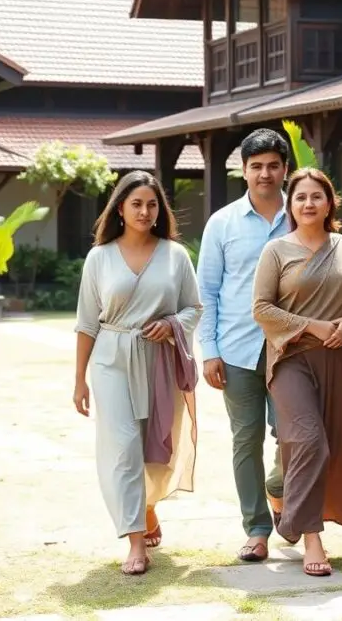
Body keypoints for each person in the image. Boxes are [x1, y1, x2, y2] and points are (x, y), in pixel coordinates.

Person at [73, 171, 202, 575]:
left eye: (151, 204)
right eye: (136, 204)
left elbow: (193, 308)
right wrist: (79, 379)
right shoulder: (100, 257)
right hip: (112, 358)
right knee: (123, 447)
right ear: (121, 209)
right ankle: (134, 541)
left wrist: (172, 324)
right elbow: (86, 322)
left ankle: (146, 506)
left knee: (155, 446)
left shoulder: (175, 255)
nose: (145, 212)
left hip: (160, 359)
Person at [252, 168, 342, 576]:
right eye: (300, 197)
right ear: (291, 204)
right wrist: (313, 326)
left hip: (340, 358)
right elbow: (261, 309)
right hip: (291, 358)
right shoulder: (276, 251)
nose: (308, 204)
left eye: (316, 197)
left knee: (337, 447)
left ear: (330, 203)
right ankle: (310, 536)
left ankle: (289, 510)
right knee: (308, 441)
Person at [197, 128, 291, 562]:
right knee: (245, 440)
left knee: (295, 435)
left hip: (292, 350)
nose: (265, 174)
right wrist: (209, 351)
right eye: (256, 167)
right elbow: (207, 292)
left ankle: (279, 488)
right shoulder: (222, 223)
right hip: (235, 351)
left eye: (273, 165)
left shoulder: (303, 215)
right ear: (243, 171)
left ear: (285, 169)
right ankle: (256, 529)